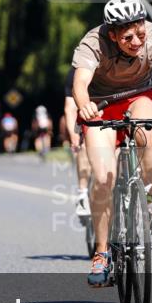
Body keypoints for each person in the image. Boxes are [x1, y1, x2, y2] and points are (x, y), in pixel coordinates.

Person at [73, 0, 152, 287]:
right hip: (100, 105)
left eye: (140, 33)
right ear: (112, 34)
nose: (137, 42)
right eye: (128, 37)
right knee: (103, 178)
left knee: (145, 131)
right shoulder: (94, 42)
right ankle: (101, 253)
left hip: (139, 97)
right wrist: (84, 104)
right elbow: (80, 82)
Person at [63, 67, 91, 218]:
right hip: (87, 116)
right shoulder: (75, 73)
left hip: (110, 114)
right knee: (84, 145)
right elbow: (70, 109)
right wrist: (74, 135)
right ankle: (83, 193)